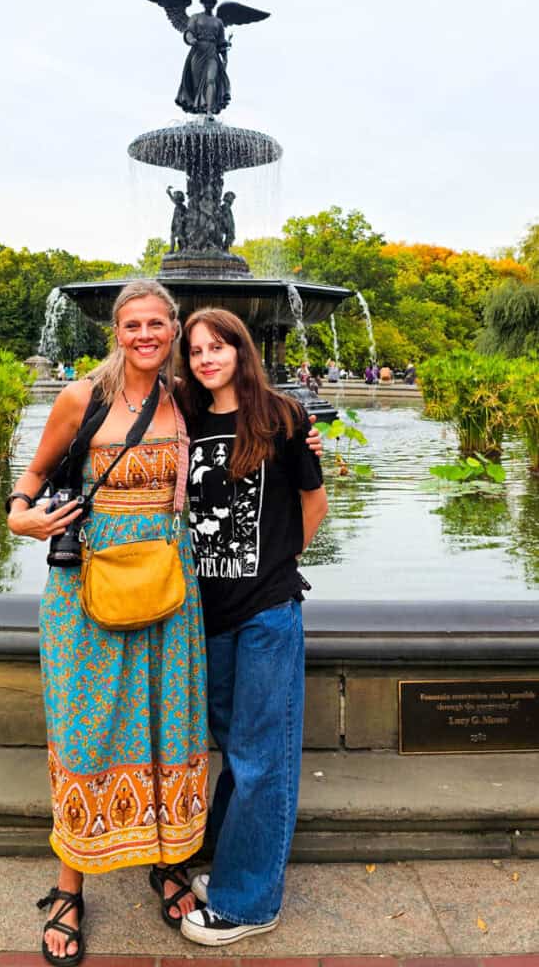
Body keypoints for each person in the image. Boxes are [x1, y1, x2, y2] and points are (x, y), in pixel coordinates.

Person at [6, 281, 209, 965]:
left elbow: (253, 430)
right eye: (132, 324)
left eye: (157, 323)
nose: (145, 334)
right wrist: (19, 515)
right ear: (115, 333)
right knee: (88, 728)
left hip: (169, 587)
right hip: (86, 589)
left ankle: (170, 860)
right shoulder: (82, 398)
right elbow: (29, 478)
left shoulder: (187, 399)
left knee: (167, 722)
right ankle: (69, 888)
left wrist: (308, 448)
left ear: (173, 328)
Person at [177, 308, 328, 947]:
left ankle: (249, 902)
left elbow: (312, 502)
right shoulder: (180, 419)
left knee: (261, 756)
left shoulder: (282, 417)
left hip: (267, 613)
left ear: (242, 349)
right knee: (236, 750)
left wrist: (275, 569)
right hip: (203, 616)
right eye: (196, 349)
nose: (207, 357)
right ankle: (242, 870)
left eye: (219, 345)